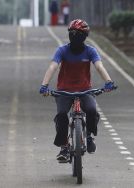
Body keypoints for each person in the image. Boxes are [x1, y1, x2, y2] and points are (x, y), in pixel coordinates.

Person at [39, 19, 115, 163]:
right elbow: (52, 67)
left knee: (92, 110)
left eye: (78, 33)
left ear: (85, 36)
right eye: (71, 33)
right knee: (62, 115)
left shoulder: (90, 51)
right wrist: (45, 85)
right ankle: (64, 147)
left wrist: (109, 82)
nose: (74, 36)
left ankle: (89, 136)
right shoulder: (62, 50)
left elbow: (99, 66)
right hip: (64, 91)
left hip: (85, 90)